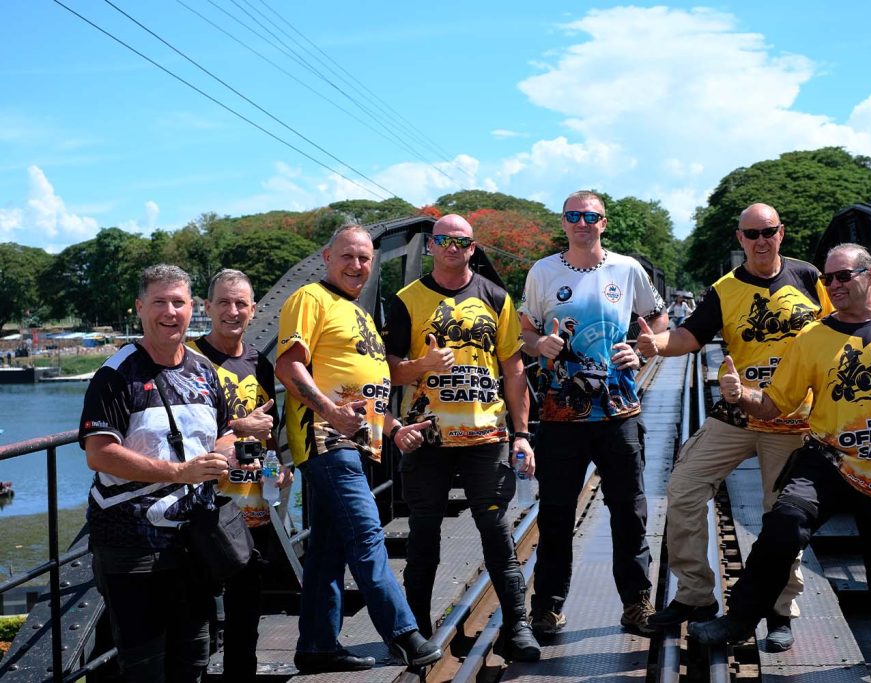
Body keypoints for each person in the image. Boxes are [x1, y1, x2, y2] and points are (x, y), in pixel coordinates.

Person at [690, 243, 871, 683]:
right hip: (826, 459)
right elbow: (776, 404)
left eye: (842, 277)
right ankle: (740, 618)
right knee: (783, 524)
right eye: (828, 278)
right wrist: (742, 396)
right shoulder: (812, 336)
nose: (832, 285)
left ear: (869, 276)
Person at [637, 202, 832, 651]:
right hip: (738, 411)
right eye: (751, 233)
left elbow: (840, 329)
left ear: (781, 233)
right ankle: (695, 597)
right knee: (684, 489)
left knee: (781, 516)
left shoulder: (809, 279)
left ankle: (780, 611)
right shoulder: (726, 289)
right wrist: (657, 344)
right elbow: (690, 336)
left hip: (792, 418)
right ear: (740, 239)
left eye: (768, 231)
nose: (761, 240)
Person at [275, 224, 441, 673]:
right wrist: (328, 411)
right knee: (368, 536)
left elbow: (361, 392)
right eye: (348, 256)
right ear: (327, 257)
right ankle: (404, 634)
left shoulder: (360, 314)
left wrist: (391, 427)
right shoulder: (310, 298)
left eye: (366, 258)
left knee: (328, 552)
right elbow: (288, 365)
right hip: (327, 443)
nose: (358, 266)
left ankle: (316, 647)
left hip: (358, 443)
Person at [382, 214, 541, 661]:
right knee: (423, 537)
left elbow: (513, 370)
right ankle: (414, 631)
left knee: (496, 532)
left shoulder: (495, 297)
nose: (453, 247)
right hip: (427, 439)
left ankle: (518, 626)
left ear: (473, 248)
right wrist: (422, 366)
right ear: (431, 246)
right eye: (444, 240)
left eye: (463, 241)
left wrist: (522, 434)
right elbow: (387, 370)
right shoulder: (406, 300)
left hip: (485, 437)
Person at [519, 190, 668, 637]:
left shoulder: (627, 269)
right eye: (574, 216)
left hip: (620, 410)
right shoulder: (543, 271)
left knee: (629, 513)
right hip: (561, 415)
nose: (582, 222)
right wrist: (538, 345)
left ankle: (637, 605)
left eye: (591, 216)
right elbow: (524, 331)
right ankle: (546, 608)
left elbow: (658, 322)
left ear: (604, 222)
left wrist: (644, 349)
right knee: (557, 515)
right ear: (563, 223)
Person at [80, 264, 234, 682]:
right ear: (140, 308)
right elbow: (100, 453)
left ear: (192, 309)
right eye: (159, 302)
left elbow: (222, 437)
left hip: (195, 544)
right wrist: (181, 471)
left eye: (178, 302)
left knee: (194, 658)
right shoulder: (115, 375)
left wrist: (226, 456)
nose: (170, 312)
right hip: (132, 545)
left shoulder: (204, 372)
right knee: (144, 667)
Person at [186, 268, 291, 682]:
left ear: (253, 310)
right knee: (195, 615)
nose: (233, 311)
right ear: (207, 307)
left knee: (247, 613)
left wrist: (277, 470)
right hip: (199, 511)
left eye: (241, 304)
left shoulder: (260, 364)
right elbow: (178, 439)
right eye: (224, 303)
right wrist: (238, 428)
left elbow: (268, 437)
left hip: (251, 509)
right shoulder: (189, 361)